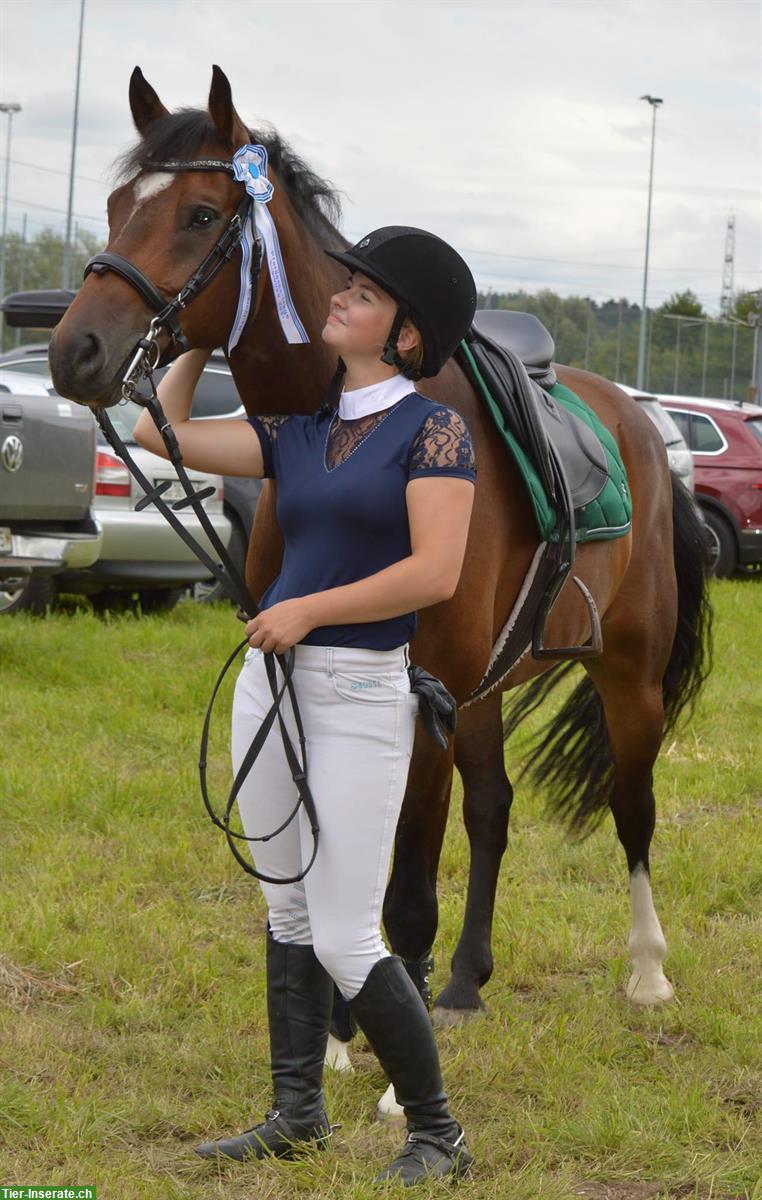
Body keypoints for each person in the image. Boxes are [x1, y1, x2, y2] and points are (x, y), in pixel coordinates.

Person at [134, 226, 478, 1186]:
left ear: (405, 335)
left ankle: (438, 1132)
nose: (341, 297)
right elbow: (163, 437)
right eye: (348, 285)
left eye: (364, 295)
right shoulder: (302, 432)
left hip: (363, 694)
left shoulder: (431, 430)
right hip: (271, 689)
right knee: (285, 911)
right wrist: (196, 337)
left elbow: (437, 572)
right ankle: (297, 1112)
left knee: (342, 931)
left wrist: (305, 609)